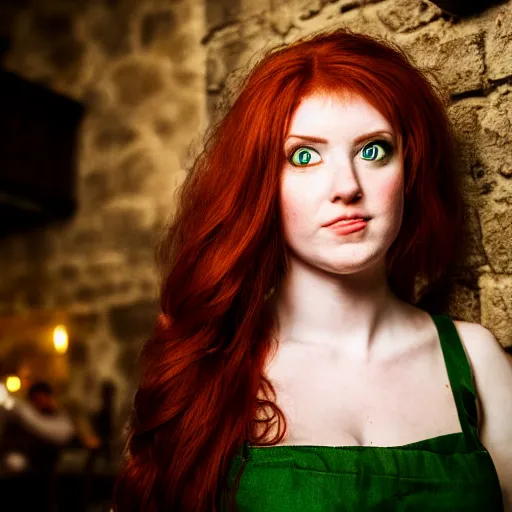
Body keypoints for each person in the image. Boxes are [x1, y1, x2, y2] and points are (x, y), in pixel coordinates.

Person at [113, 28, 512, 512]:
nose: (346, 185)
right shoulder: (209, 364)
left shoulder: (477, 360)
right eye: (304, 156)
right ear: (261, 183)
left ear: (410, 169)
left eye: (373, 150)